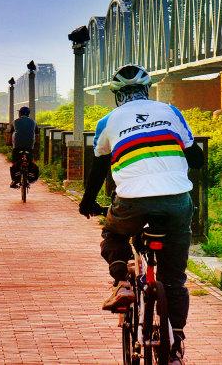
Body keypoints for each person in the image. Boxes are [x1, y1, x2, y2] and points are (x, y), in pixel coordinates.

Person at [78, 64, 204, 365]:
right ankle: (175, 344)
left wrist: (87, 202)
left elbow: (99, 168)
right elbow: (197, 159)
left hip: (132, 201)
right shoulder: (171, 112)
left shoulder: (107, 121)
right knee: (174, 280)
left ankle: (123, 281)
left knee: (113, 233)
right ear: (147, 89)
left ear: (117, 96)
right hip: (176, 201)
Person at [9, 107, 38, 188]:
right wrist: (36, 146)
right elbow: (37, 134)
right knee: (30, 160)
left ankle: (14, 181)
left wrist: (9, 143)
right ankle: (29, 173)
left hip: (17, 145)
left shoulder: (15, 122)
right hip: (29, 145)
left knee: (15, 161)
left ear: (20, 113)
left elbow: (10, 134)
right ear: (28, 114)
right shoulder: (33, 122)